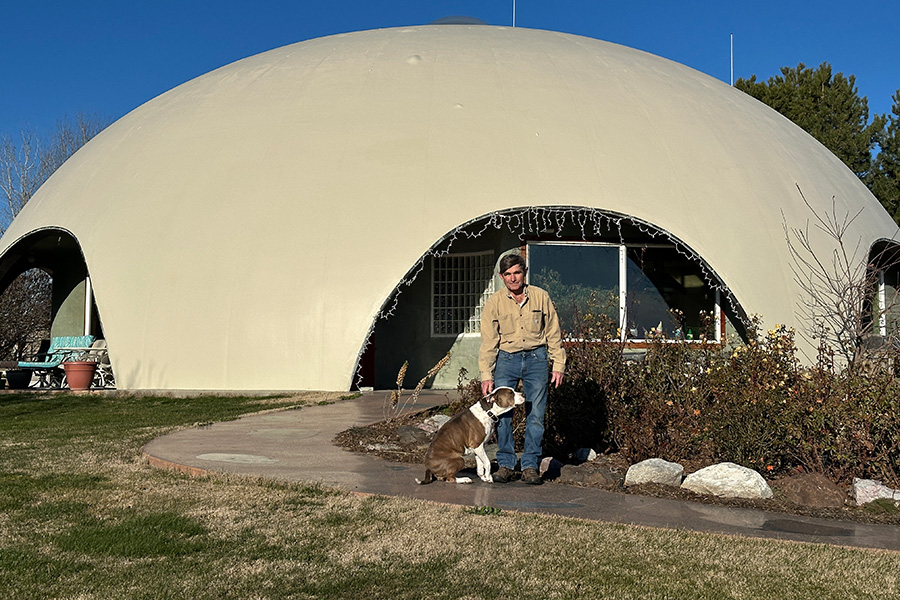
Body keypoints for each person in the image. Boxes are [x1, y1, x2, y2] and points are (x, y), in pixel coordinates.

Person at [479, 253, 565, 485]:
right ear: (501, 276)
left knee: (535, 414)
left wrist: (558, 364)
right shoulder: (495, 302)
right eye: (507, 274)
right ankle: (506, 464)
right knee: (503, 414)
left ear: (524, 272)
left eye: (517, 272)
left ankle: (529, 465)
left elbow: (553, 333)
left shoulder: (541, 297)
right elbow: (488, 341)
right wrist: (486, 374)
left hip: (537, 359)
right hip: (506, 360)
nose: (513, 278)